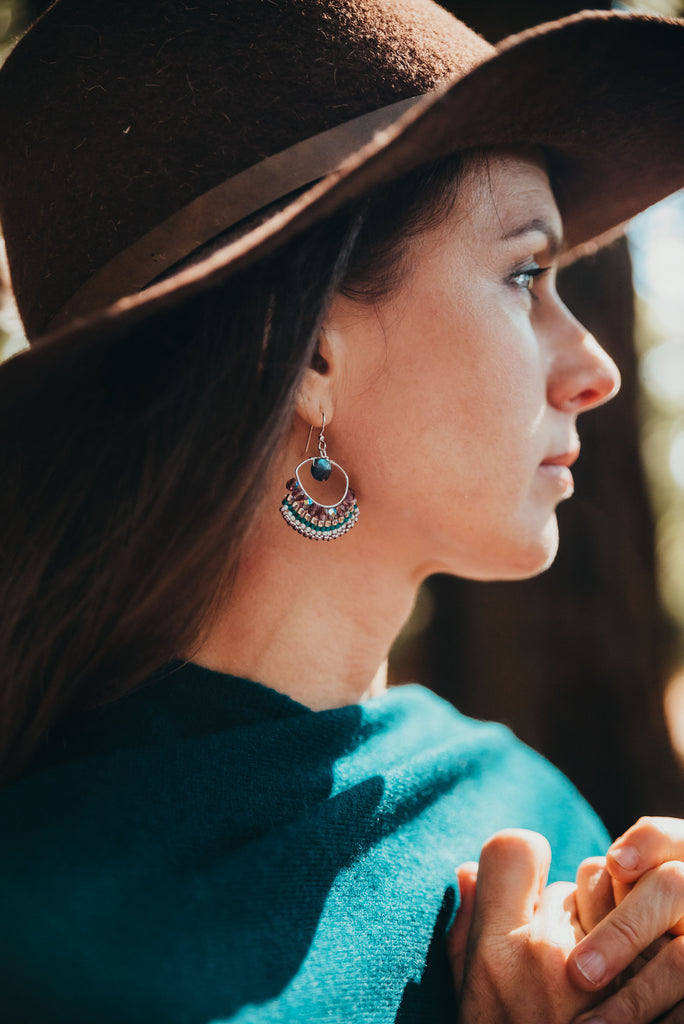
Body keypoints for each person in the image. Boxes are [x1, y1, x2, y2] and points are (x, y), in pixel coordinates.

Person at [0, 1, 682, 1021]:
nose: (593, 368)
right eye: (527, 274)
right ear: (309, 351)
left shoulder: (541, 822)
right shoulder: (40, 935)